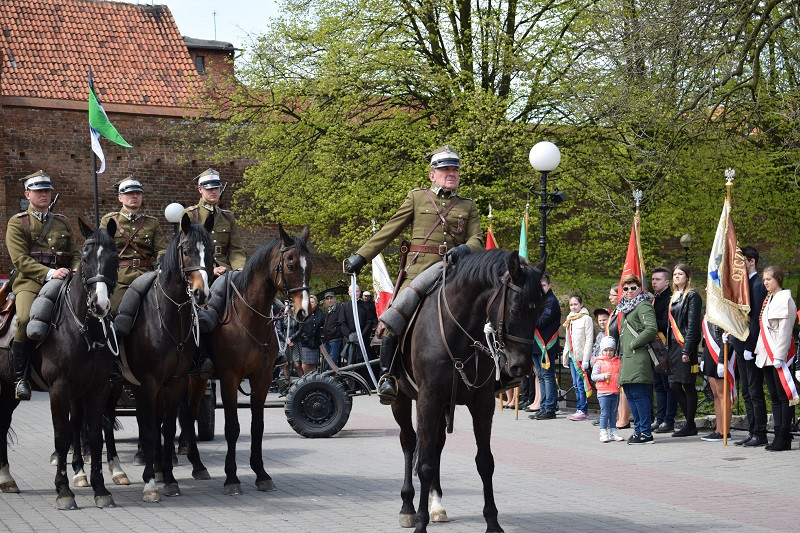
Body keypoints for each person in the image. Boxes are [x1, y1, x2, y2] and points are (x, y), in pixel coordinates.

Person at [343, 145, 483, 403]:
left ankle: (492, 372)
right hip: (421, 270)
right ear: (432, 175)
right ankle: (388, 376)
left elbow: (477, 238)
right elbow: (390, 229)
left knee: (487, 311)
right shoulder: (417, 198)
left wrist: (465, 248)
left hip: (456, 272)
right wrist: (361, 256)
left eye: (455, 169)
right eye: (444, 169)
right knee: (397, 313)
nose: (451, 173)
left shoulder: (468, 205)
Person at [5, 171, 79, 400]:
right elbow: (21, 260)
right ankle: (20, 378)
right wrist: (50, 273)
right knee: (26, 319)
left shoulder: (62, 222)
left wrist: (76, 268)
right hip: (30, 281)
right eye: (38, 191)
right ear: (28, 194)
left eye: (47, 190)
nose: (44, 194)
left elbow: (75, 253)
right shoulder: (18, 222)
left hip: (65, 279)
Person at [182, 168, 247, 377]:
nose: (213, 192)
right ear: (200, 190)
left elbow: (235, 249)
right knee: (199, 311)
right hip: (201, 271)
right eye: (209, 188)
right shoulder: (190, 214)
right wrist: (211, 268)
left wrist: (240, 266)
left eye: (217, 188)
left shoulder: (227, 217)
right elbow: (188, 249)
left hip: (228, 271)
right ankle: (201, 356)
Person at [100, 177, 166, 315]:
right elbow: (102, 250)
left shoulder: (152, 223)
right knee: (115, 311)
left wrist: (162, 263)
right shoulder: (109, 220)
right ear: (120, 198)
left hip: (147, 275)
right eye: (129, 193)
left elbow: (161, 249)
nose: (135, 196)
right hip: (120, 277)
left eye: (138, 193)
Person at [755, 265, 797, 451]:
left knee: (783, 397)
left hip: (779, 355)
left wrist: (779, 356)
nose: (765, 283)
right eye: (764, 280)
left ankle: (784, 436)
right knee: (774, 396)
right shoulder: (768, 300)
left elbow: (785, 331)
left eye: (769, 279)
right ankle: (778, 434)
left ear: (778, 279)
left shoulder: (785, 299)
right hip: (766, 355)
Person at [730, 246, 769, 447]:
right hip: (740, 344)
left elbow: (756, 319)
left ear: (751, 261)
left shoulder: (757, 285)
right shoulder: (744, 284)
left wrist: (750, 345)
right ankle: (752, 430)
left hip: (750, 347)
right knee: (746, 391)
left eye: (740, 261)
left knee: (754, 391)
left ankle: (760, 433)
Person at [616, 274, 657, 444]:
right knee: (631, 394)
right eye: (625, 288)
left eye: (633, 287)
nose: (629, 291)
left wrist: (633, 344)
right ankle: (639, 429)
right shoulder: (627, 308)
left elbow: (651, 329)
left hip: (639, 357)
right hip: (629, 358)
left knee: (640, 394)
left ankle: (646, 432)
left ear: (639, 288)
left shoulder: (643, 306)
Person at [667, 264, 702, 438]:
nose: (676, 276)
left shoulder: (692, 296)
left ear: (688, 277)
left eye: (680, 274)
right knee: (673, 384)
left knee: (688, 384)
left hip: (685, 345)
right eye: (674, 274)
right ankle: (691, 422)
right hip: (673, 346)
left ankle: (689, 424)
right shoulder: (674, 296)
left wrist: (687, 349)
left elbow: (693, 325)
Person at [530, 274, 561, 420]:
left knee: (548, 375)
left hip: (546, 344)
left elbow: (541, 321)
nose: (541, 289)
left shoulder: (551, 301)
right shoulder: (539, 301)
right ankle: (543, 406)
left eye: (543, 285)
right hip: (536, 343)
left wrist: (528, 318)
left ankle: (550, 407)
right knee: (541, 375)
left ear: (548, 285)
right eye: (539, 286)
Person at [650, 266, 677, 433]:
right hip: (655, 346)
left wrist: (650, 323)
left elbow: (668, 324)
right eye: (653, 279)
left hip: (666, 346)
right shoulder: (655, 299)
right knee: (658, 385)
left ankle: (668, 420)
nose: (654, 282)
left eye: (658, 279)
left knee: (668, 385)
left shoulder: (669, 299)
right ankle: (659, 419)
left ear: (667, 282)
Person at [562, 295, 593, 421]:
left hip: (580, 357)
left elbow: (589, 339)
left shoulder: (587, 319)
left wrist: (586, 359)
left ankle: (583, 409)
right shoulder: (570, 319)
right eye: (571, 305)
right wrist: (565, 356)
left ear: (581, 304)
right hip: (571, 356)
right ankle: (579, 408)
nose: (573, 307)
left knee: (581, 384)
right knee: (575, 384)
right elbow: (567, 341)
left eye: (575, 304)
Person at [699, 320, 731, 442]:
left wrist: (722, 360)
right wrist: (703, 358)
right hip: (709, 351)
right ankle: (718, 429)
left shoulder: (721, 309)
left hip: (719, 352)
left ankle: (725, 431)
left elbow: (726, 336)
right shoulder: (709, 310)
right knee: (716, 394)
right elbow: (705, 338)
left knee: (723, 393)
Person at [607, 283, 631, 430]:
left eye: (613, 295)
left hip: (623, 352)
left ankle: (624, 418)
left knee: (623, 386)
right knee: (617, 385)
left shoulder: (623, 311)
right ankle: (618, 416)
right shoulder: (615, 311)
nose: (610, 297)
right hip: (615, 352)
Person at [592, 336, 624, 442]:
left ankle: (613, 432)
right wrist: (604, 376)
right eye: (606, 350)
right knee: (605, 413)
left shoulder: (618, 361)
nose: (608, 352)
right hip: (603, 392)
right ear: (602, 350)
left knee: (613, 413)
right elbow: (594, 376)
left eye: (611, 350)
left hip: (615, 391)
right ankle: (603, 432)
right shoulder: (599, 362)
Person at [341, 285, 376, 366]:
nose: (354, 293)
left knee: (365, 364)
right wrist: (351, 336)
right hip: (349, 341)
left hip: (363, 341)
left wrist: (361, 337)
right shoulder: (345, 307)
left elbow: (369, 322)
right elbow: (342, 323)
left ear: (360, 292)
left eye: (356, 291)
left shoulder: (366, 306)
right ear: (349, 293)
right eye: (352, 291)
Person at [298, 295, 324, 375]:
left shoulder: (320, 314)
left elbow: (322, 327)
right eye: (309, 302)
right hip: (305, 343)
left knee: (312, 365)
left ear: (316, 303)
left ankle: (311, 382)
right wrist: (303, 336)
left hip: (315, 343)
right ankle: (303, 382)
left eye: (312, 302)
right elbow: (299, 327)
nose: (310, 304)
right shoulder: (303, 314)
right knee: (305, 364)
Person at [322, 291, 345, 369]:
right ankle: (327, 377)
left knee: (332, 361)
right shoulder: (328, 310)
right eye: (327, 299)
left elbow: (341, 323)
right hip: (327, 339)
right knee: (327, 360)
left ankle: (331, 378)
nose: (329, 300)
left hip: (335, 338)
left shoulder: (339, 309)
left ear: (335, 299)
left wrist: (335, 332)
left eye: (331, 298)